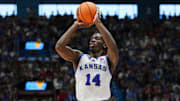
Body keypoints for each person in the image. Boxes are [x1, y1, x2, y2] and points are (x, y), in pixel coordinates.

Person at [55, 10, 119, 101]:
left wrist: (98, 23)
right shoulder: (79, 57)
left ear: (104, 44)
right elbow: (59, 47)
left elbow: (114, 49)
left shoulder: (108, 60)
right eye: (91, 39)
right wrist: (76, 25)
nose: (92, 40)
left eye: (96, 39)